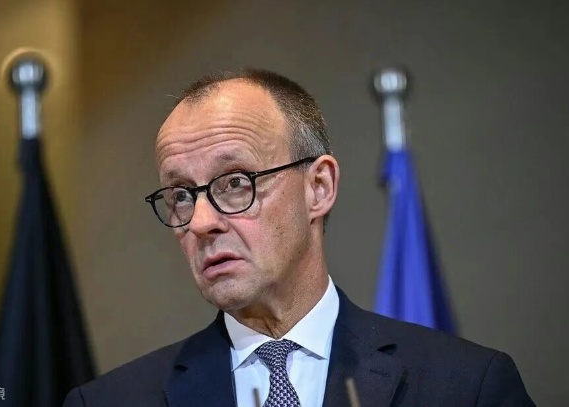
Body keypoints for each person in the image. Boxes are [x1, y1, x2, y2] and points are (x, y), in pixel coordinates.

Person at [63, 69, 534, 407]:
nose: (201, 222)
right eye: (181, 195)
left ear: (318, 188)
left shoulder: (466, 386)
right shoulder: (107, 401)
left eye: (235, 183)